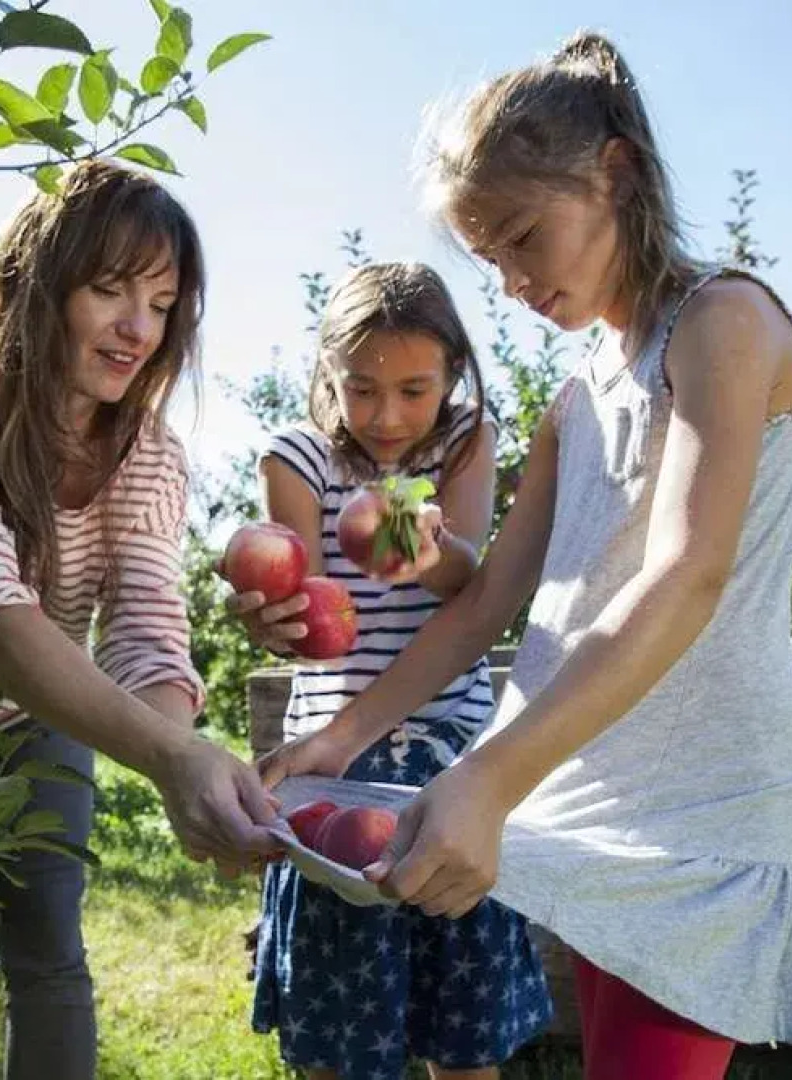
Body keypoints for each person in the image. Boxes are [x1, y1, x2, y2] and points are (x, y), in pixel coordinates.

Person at [259, 31, 792, 1080]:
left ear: (612, 173)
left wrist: (489, 776)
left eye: (524, 237)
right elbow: (480, 610)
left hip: (704, 801)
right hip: (592, 779)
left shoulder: (723, 323)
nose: (513, 282)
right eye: (492, 261)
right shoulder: (575, 398)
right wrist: (339, 739)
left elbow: (687, 573)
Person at [0, 159, 279, 1080]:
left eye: (163, 303)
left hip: (47, 709)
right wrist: (175, 760)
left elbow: (143, 623)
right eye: (110, 289)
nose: (140, 329)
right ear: (36, 287)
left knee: (50, 945)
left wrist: (180, 767)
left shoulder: (147, 451)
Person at [229, 262, 553, 1080]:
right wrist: (280, 621)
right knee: (341, 1012)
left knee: (462, 1012)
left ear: (450, 375)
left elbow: (473, 588)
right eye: (361, 388)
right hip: (334, 753)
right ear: (326, 374)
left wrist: (427, 551)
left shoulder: (464, 441)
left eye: (413, 389)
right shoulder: (295, 458)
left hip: (449, 747)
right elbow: (309, 613)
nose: (386, 415)